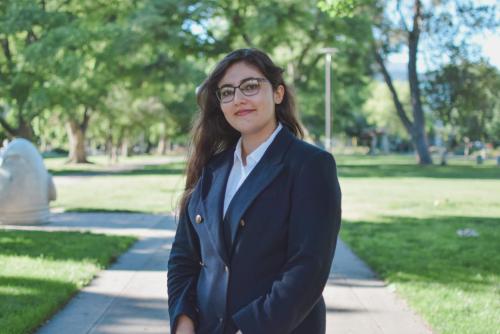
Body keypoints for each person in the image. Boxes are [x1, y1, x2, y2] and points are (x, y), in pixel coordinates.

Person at [167, 48, 342, 334]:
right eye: (227, 92)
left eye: (250, 86)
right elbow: (183, 258)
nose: (238, 99)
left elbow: (308, 268)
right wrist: (183, 322)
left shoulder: (310, 165)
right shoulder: (212, 169)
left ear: (278, 93)